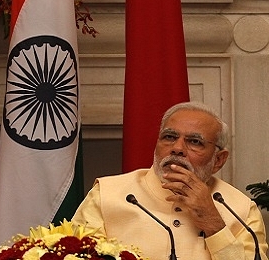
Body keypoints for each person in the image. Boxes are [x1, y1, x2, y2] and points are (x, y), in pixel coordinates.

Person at [71, 101, 268, 260]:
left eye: (194, 142)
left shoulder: (241, 210)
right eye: (169, 137)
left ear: (218, 160)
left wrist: (213, 223)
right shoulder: (107, 194)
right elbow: (73, 254)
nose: (177, 148)